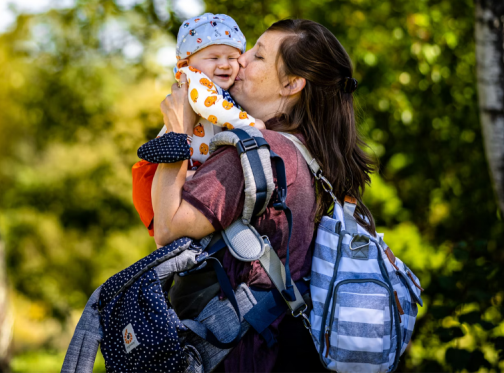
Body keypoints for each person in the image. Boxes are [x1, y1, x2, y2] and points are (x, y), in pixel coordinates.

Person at [152, 19, 376, 372]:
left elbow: (167, 229)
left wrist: (176, 134)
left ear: (291, 84)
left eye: (257, 55)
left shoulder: (253, 153)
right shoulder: (320, 159)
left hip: (246, 355)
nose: (239, 62)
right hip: (295, 350)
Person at [132, 13, 265, 236]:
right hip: (159, 172)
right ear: (186, 63)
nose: (224, 64)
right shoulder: (193, 78)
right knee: (173, 227)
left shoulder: (220, 87)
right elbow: (209, 106)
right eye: (213, 58)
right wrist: (251, 123)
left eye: (232, 58)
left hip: (188, 168)